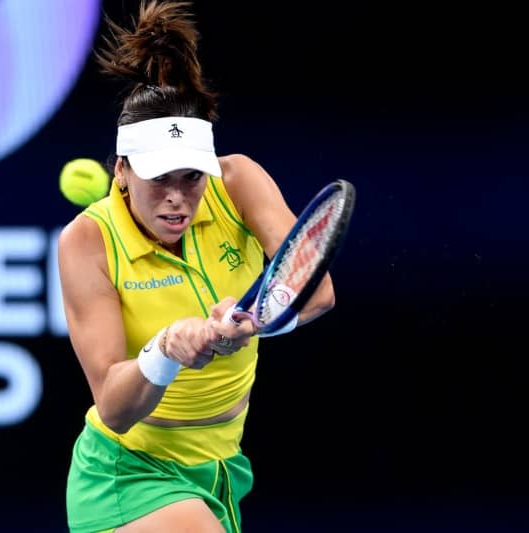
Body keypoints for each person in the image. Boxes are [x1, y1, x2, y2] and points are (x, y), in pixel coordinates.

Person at [58, 1, 335, 531]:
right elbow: (114, 406)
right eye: (159, 178)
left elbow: (317, 289)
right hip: (127, 473)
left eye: (191, 177)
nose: (178, 199)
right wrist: (165, 350)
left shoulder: (238, 182)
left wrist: (256, 321)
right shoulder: (87, 240)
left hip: (221, 466)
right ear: (121, 170)